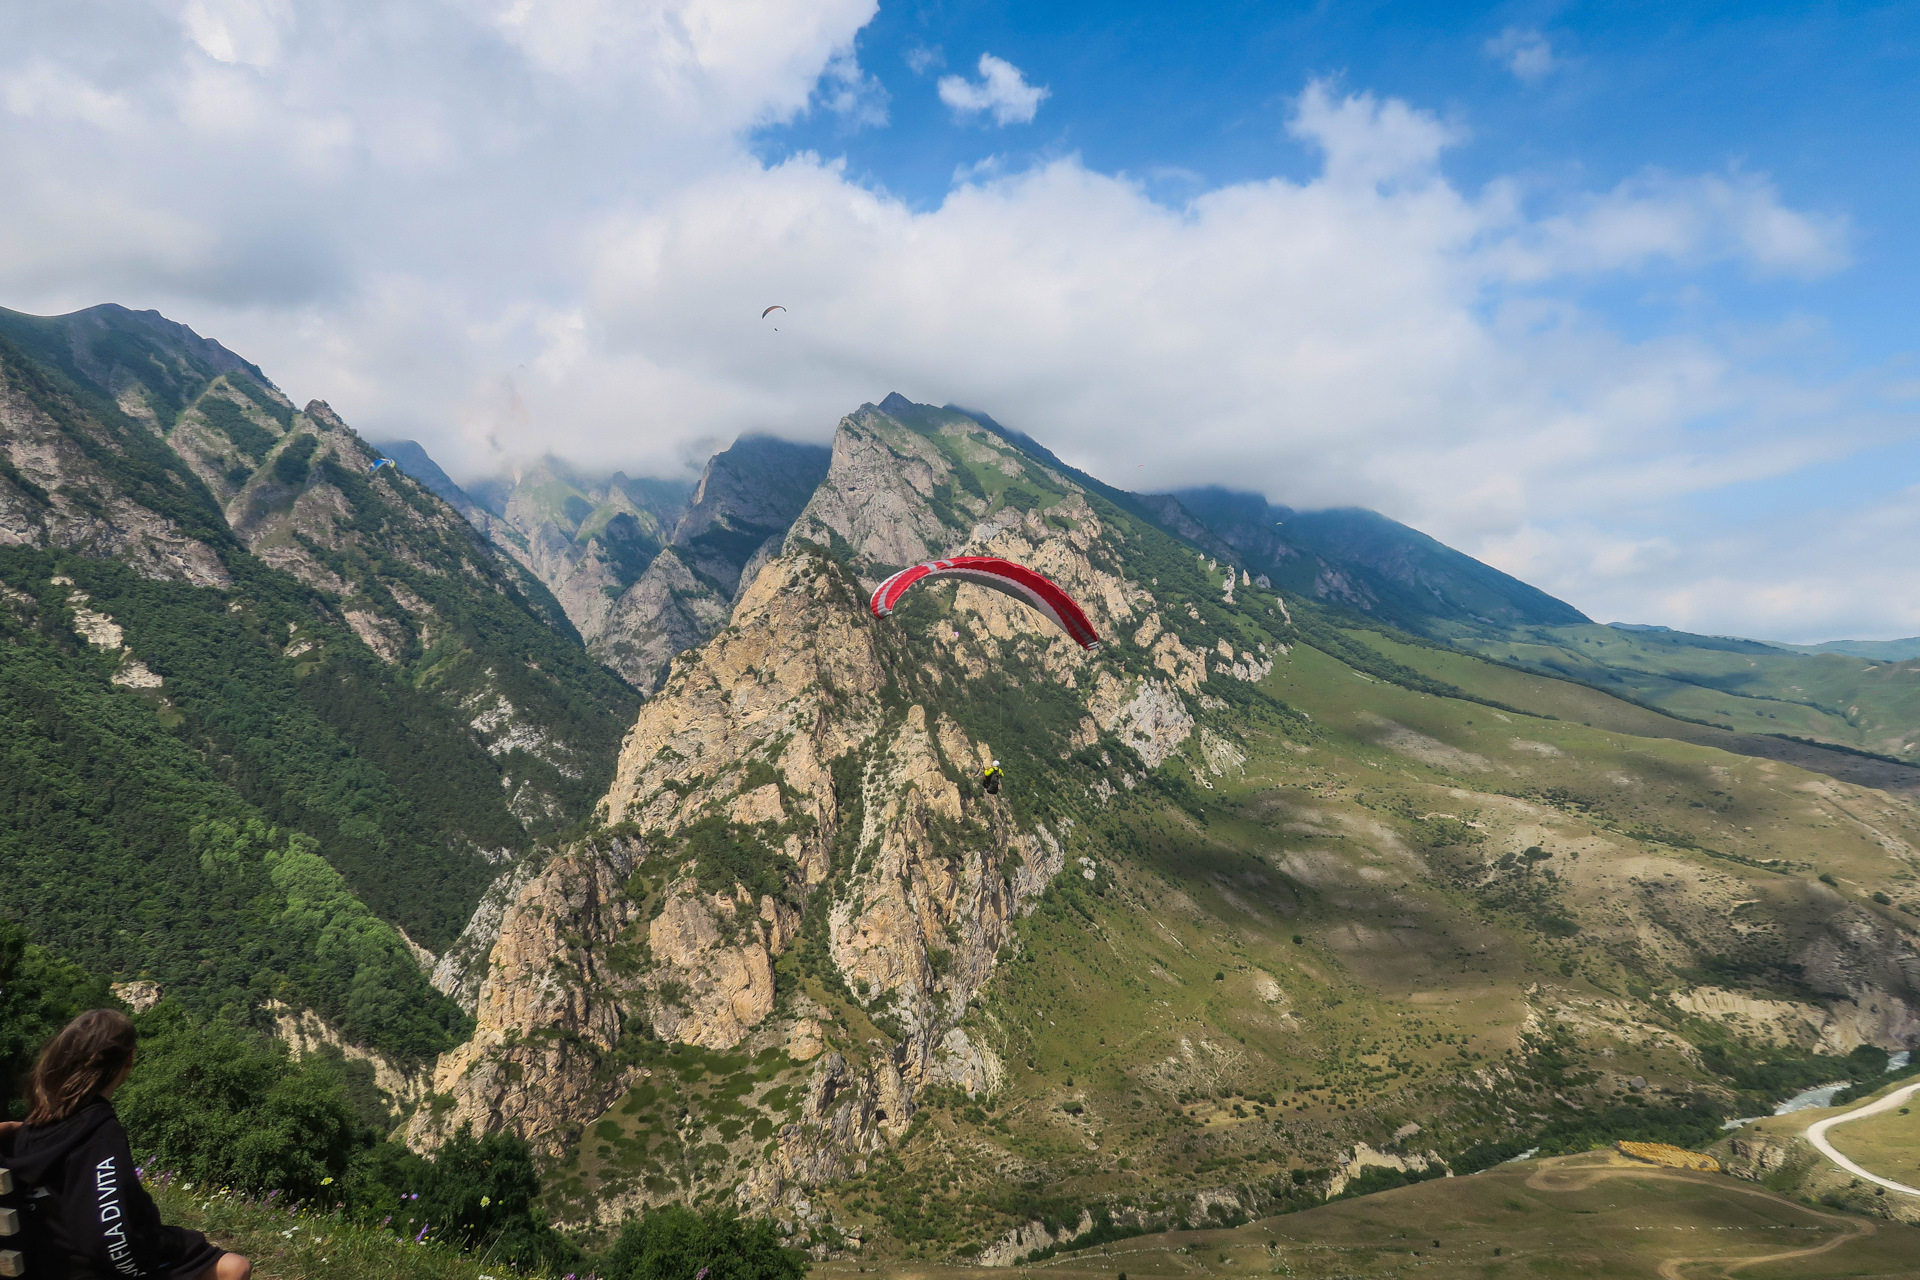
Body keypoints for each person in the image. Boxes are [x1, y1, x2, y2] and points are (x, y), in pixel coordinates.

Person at [0, 1010, 251, 1280]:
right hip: (90, 1267)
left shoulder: (36, 1125)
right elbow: (111, 1239)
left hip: (48, 1257)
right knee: (235, 1267)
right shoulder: (99, 1133)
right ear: (129, 1059)